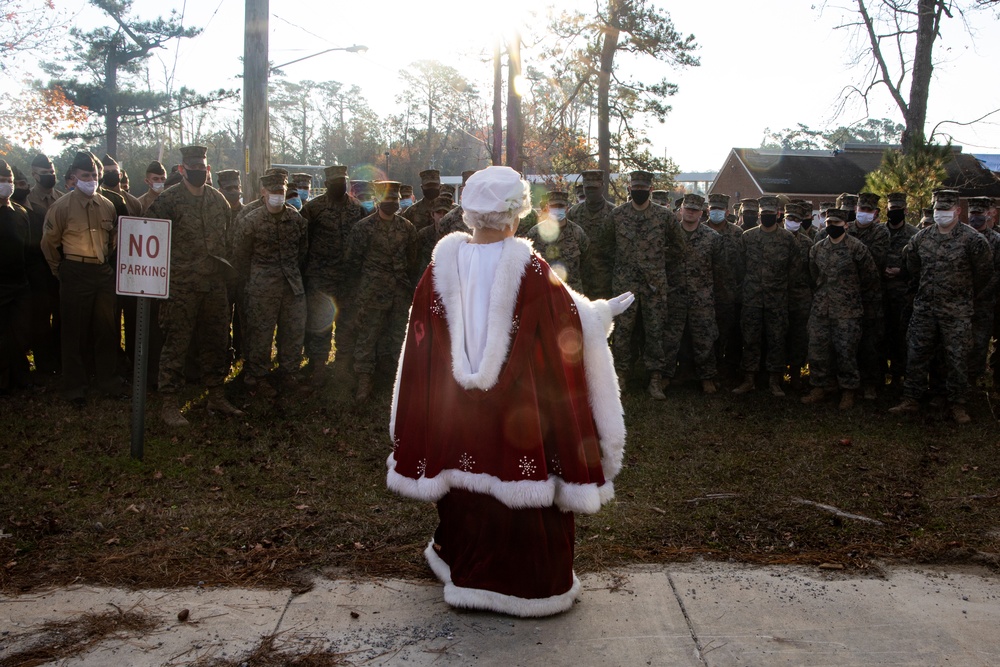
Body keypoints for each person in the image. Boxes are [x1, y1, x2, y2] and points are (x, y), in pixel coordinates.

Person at [387, 165, 632, 617]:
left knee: (464, 484)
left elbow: (420, 341)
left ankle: (461, 563)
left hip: (455, 413)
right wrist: (597, 317)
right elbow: (566, 326)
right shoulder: (533, 271)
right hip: (521, 414)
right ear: (516, 214)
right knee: (522, 480)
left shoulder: (438, 269)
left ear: (469, 213)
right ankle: (524, 585)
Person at [146, 145, 244, 426]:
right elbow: (151, 237)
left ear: (208, 169)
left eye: (202, 167)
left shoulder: (218, 201)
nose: (198, 171)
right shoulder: (168, 200)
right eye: (192, 167)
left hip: (213, 283)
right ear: (181, 169)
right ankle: (168, 402)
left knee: (216, 340)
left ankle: (216, 393)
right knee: (176, 344)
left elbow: (226, 242)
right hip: (181, 285)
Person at [889, 189, 993, 424]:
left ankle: (957, 404)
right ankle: (911, 399)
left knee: (957, 359)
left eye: (945, 210)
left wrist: (963, 295)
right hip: (925, 309)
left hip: (957, 311)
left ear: (957, 210)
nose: (940, 214)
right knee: (916, 354)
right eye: (937, 209)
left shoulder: (974, 240)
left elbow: (984, 274)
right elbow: (912, 266)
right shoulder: (921, 238)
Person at [39, 152, 121, 405]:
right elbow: (49, 244)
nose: (91, 180)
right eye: (86, 176)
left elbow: (113, 240)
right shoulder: (61, 206)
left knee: (107, 330)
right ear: (74, 177)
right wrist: (59, 271)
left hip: (101, 272)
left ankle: (109, 382)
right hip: (74, 272)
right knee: (74, 332)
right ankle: (75, 387)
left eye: (94, 175)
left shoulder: (107, 205)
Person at [232, 170, 308, 398]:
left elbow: (302, 252)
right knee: (260, 335)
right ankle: (257, 378)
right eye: (273, 191)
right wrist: (255, 279)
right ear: (263, 192)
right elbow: (239, 256)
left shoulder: (295, 219)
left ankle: (288, 374)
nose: (278, 195)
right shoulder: (250, 221)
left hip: (292, 287)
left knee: (293, 331)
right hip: (261, 288)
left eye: (281, 191)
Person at [611, 170, 681, 399]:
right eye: (635, 188)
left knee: (655, 330)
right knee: (622, 331)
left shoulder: (664, 216)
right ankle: (621, 375)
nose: (639, 191)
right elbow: (605, 247)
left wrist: (657, 263)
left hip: (654, 285)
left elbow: (678, 247)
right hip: (625, 284)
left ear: (651, 189)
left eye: (644, 188)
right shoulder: (617, 215)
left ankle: (655, 379)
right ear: (629, 189)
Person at [802, 208, 881, 410]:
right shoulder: (817, 248)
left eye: (836, 224)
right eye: (828, 223)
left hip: (847, 311)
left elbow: (870, 277)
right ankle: (820, 386)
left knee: (846, 352)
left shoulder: (857, 248)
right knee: (817, 350)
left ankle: (848, 390)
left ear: (846, 225)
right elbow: (813, 276)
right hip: (821, 309)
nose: (831, 227)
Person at [347, 180, 418, 401]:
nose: (392, 203)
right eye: (387, 199)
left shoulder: (407, 228)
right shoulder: (363, 228)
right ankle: (364, 381)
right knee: (368, 337)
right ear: (378, 200)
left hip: (399, 292)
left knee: (399, 337)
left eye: (395, 200)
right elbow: (353, 263)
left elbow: (412, 260)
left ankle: (400, 380)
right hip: (372, 292)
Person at [300, 165, 366, 384]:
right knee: (321, 323)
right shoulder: (313, 209)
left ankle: (342, 366)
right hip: (321, 278)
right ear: (327, 184)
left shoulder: (357, 208)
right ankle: (318, 367)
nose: (340, 185)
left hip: (348, 278)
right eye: (336, 181)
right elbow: (302, 242)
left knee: (347, 324)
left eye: (343, 180)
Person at [732, 195, 800, 397]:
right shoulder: (748, 237)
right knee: (750, 339)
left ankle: (774, 381)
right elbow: (739, 266)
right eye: (764, 214)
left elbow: (794, 268)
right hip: (752, 299)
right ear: (759, 215)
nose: (767, 217)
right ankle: (749, 379)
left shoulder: (787, 239)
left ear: (778, 214)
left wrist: (779, 286)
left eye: (771, 214)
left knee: (776, 340)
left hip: (777, 300)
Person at [662, 193, 724, 393]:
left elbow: (719, 270)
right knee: (671, 339)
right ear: (680, 210)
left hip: (702, 298)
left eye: (695, 210)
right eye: (687, 209)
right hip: (674, 295)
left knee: (704, 338)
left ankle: (707, 377)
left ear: (702, 213)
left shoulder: (712, 238)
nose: (690, 213)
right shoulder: (669, 235)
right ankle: (666, 376)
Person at [705, 192, 744, 380]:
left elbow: (743, 264)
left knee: (727, 334)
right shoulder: (701, 230)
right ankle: (705, 371)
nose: (716, 212)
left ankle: (725, 370)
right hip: (703, 293)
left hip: (728, 294)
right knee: (704, 334)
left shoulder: (737, 234)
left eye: (720, 209)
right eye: (713, 209)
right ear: (708, 210)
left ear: (727, 212)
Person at [0, 159, 32, 391]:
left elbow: (28, 250)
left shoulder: (20, 213)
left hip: (19, 285)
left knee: (19, 336)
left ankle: (21, 379)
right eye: (2, 181)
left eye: (9, 181)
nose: (7, 185)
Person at [881, 192, 918, 388]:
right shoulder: (878, 232)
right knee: (879, 335)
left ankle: (898, 377)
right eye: (891, 208)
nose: (894, 212)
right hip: (879, 294)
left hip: (902, 296)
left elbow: (918, 266)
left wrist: (901, 272)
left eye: (898, 209)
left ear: (905, 210)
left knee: (900, 336)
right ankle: (878, 376)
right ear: (886, 210)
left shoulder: (914, 234)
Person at [526, 189, 590, 293]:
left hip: (572, 293)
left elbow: (586, 262)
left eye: (560, 207)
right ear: (547, 207)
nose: (557, 210)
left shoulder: (577, 233)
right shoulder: (535, 233)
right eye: (553, 207)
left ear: (567, 208)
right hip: (545, 292)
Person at [566, 169, 616, 299]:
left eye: (594, 187)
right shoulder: (574, 213)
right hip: (580, 282)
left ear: (602, 187)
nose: (591, 191)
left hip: (606, 281)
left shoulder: (614, 213)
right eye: (587, 188)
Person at [966, 196, 1000, 384]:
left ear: (988, 214)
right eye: (972, 213)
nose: (975, 217)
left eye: (979, 213)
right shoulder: (963, 237)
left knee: (979, 343)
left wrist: (981, 293)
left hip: (985, 302)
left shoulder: (996, 240)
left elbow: (997, 272)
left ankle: (974, 378)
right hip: (961, 301)